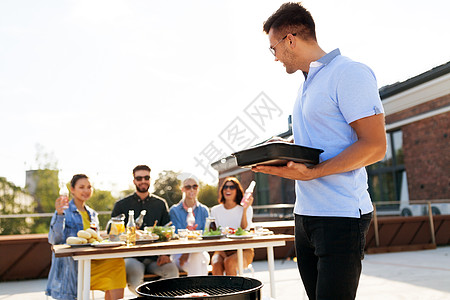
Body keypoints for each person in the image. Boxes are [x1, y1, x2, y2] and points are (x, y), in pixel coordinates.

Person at [253, 3, 387, 300]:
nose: (274, 57)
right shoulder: (306, 85)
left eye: (272, 48)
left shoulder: (349, 72)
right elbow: (320, 144)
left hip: (340, 217)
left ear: (290, 39)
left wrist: (313, 173)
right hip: (305, 216)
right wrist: (282, 149)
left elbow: (376, 146)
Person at [46, 174, 126, 300]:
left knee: (117, 263)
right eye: (81, 187)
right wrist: (60, 214)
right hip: (73, 266)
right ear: (72, 189)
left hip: (92, 261)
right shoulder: (63, 211)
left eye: (89, 187)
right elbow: (54, 240)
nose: (86, 190)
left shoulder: (93, 214)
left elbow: (95, 240)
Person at [111, 165, 178, 294]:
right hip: (132, 257)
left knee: (172, 271)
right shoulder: (121, 205)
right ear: (134, 181)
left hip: (156, 257)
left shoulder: (160, 204)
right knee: (136, 278)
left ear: (150, 179)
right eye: (139, 178)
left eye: (146, 177)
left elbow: (168, 230)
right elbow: (114, 234)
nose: (143, 181)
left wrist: (166, 254)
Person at [210, 177, 254, 276]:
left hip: (244, 249)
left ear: (237, 190)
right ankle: (219, 291)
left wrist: (245, 209)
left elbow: (244, 230)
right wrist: (222, 252)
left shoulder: (246, 208)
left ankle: (234, 291)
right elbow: (215, 233)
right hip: (222, 248)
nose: (228, 189)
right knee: (216, 263)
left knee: (229, 262)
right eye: (225, 187)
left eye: (231, 187)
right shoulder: (215, 210)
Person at [169, 175, 210, 275]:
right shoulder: (174, 210)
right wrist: (186, 251)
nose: (191, 189)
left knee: (196, 255)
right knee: (201, 263)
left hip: (200, 250)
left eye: (194, 186)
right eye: (188, 187)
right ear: (182, 189)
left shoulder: (204, 210)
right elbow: (176, 234)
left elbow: (207, 234)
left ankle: (195, 290)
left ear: (198, 189)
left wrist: (188, 252)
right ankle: (201, 290)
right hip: (179, 253)